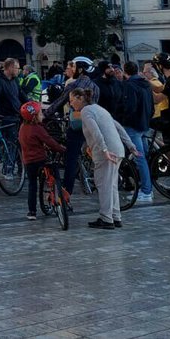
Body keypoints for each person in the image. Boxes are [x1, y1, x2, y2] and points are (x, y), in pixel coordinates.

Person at [69, 87, 137, 229]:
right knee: (111, 185)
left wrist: (104, 150)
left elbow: (96, 132)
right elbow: (117, 126)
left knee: (104, 185)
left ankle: (106, 218)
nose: (71, 104)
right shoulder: (99, 108)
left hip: (106, 152)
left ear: (79, 98)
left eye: (71, 100)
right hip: (117, 149)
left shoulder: (86, 111)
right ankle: (115, 216)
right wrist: (130, 145)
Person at [45, 56, 100, 198]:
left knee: (71, 158)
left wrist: (45, 115)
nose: (72, 70)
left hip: (77, 124)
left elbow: (59, 102)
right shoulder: (95, 86)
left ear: (80, 70)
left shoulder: (74, 86)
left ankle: (66, 191)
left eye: (74, 67)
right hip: (92, 124)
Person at [18, 100, 65, 220]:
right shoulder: (37, 128)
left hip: (28, 161)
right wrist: (61, 149)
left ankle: (32, 211)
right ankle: (58, 192)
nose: (42, 115)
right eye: (40, 113)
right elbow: (49, 141)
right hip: (40, 159)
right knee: (54, 170)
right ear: (34, 117)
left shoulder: (23, 128)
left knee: (32, 185)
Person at [119, 61, 155, 203]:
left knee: (140, 159)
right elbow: (151, 104)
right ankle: (147, 188)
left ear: (125, 71)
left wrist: (123, 119)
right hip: (144, 123)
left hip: (133, 125)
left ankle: (146, 190)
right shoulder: (145, 84)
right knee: (144, 157)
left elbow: (130, 107)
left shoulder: (129, 85)